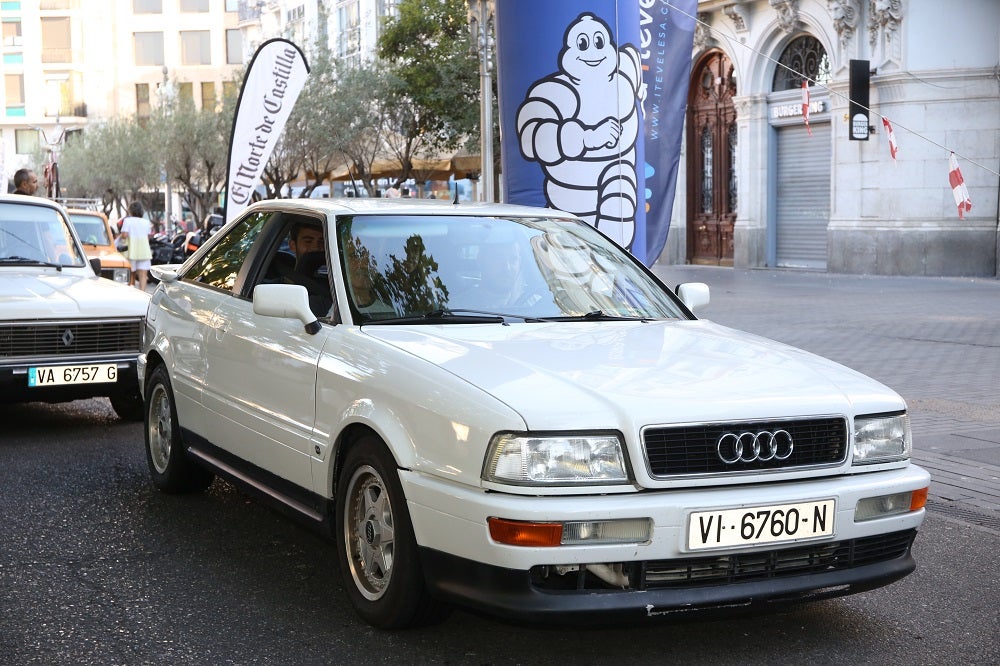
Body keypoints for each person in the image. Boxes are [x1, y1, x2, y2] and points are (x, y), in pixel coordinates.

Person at [119, 201, 153, 290]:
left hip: (131, 251)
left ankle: (132, 292)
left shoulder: (127, 221)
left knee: (131, 273)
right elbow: (148, 236)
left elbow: (124, 235)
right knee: (143, 275)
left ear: (130, 211)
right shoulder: (146, 222)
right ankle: (143, 294)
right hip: (144, 251)